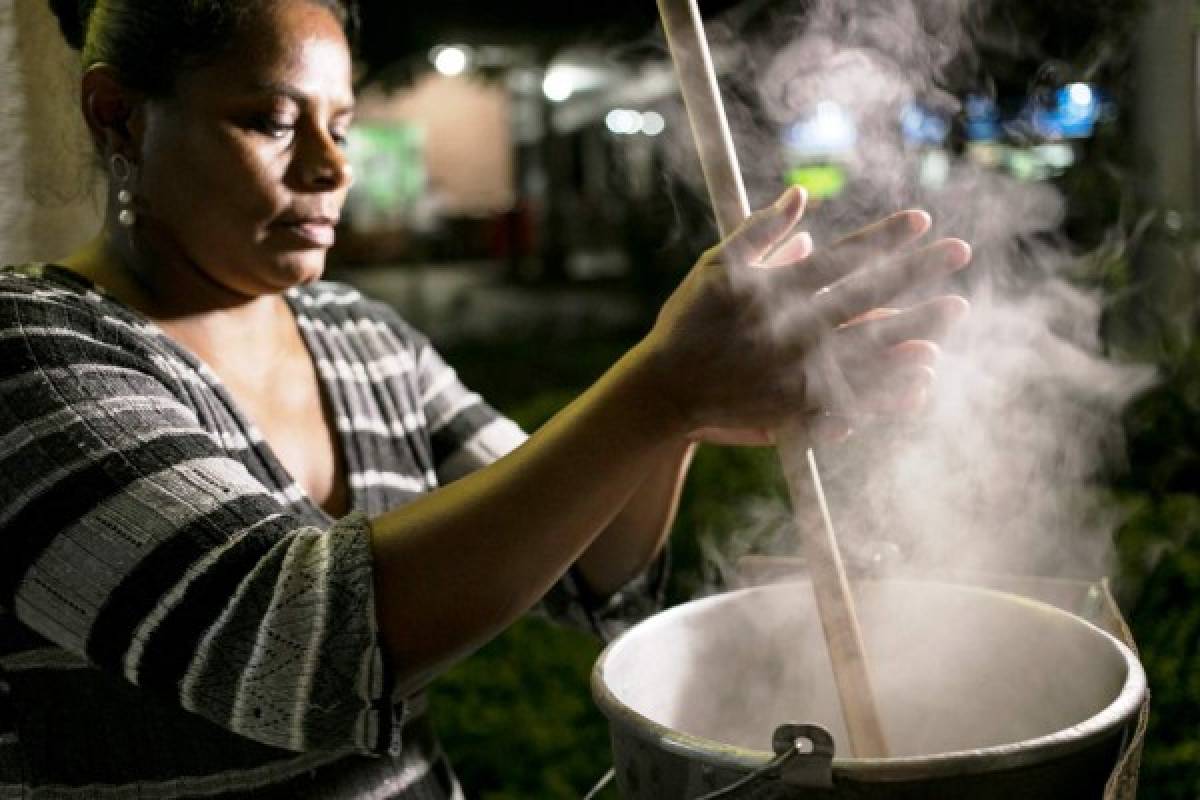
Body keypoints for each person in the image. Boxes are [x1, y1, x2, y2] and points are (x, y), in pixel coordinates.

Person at [0, 0, 971, 796]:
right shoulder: (30, 350)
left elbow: (594, 574)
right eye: (271, 120)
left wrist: (680, 421)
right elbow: (291, 647)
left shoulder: (358, 334)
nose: (332, 168)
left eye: (340, 126)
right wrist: (655, 394)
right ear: (116, 115)